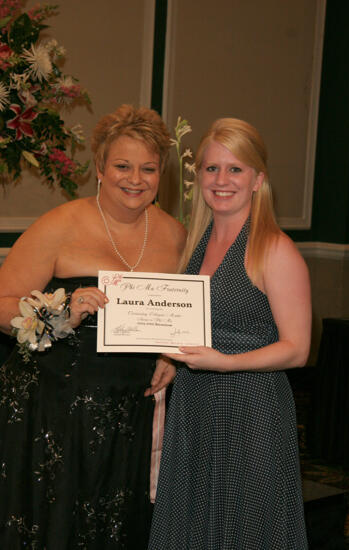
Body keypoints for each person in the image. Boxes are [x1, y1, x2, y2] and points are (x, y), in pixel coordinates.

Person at [0, 104, 186, 549]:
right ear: (99, 168)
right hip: (51, 407)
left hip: (131, 411)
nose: (135, 179)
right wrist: (60, 313)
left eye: (148, 168)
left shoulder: (177, 235)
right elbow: (2, 302)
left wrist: (169, 354)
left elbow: (179, 316)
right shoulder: (59, 225)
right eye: (122, 165)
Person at [149, 117, 311, 549]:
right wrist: (168, 357)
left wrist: (227, 362)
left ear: (258, 179)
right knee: (196, 522)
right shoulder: (195, 244)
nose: (221, 180)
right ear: (198, 175)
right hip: (195, 404)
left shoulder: (274, 248)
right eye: (211, 168)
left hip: (252, 408)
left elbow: (297, 350)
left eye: (235, 169)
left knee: (245, 526)